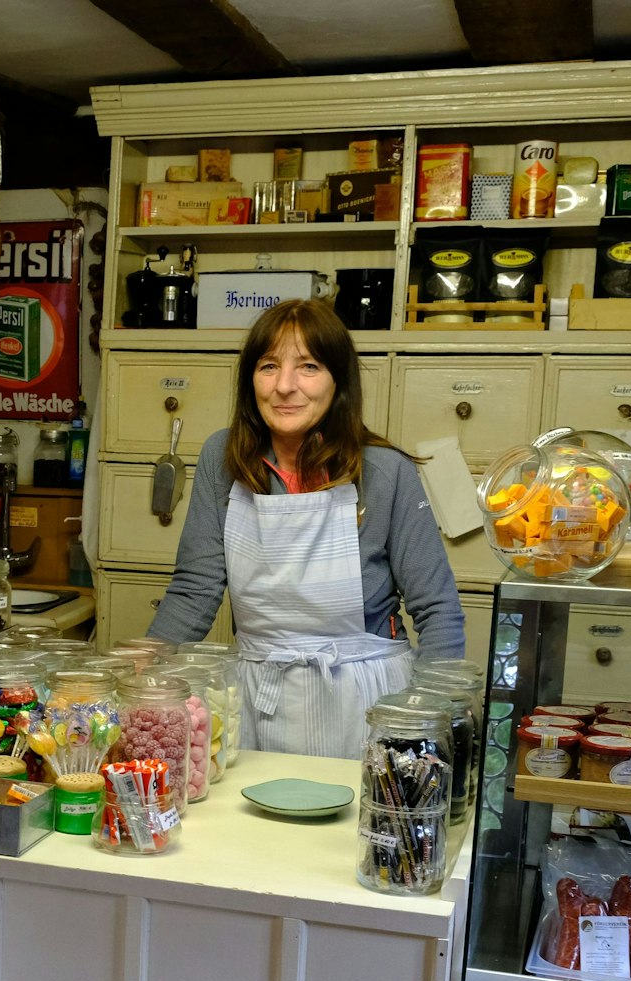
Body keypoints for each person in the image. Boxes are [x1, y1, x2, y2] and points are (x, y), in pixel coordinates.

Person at [146, 299, 462, 757]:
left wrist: (424, 720)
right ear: (249, 379)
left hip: (369, 701)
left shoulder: (385, 470)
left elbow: (438, 611)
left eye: (309, 367)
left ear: (339, 381)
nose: (285, 387)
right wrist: (145, 675)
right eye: (269, 366)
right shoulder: (223, 456)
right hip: (257, 696)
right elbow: (196, 587)